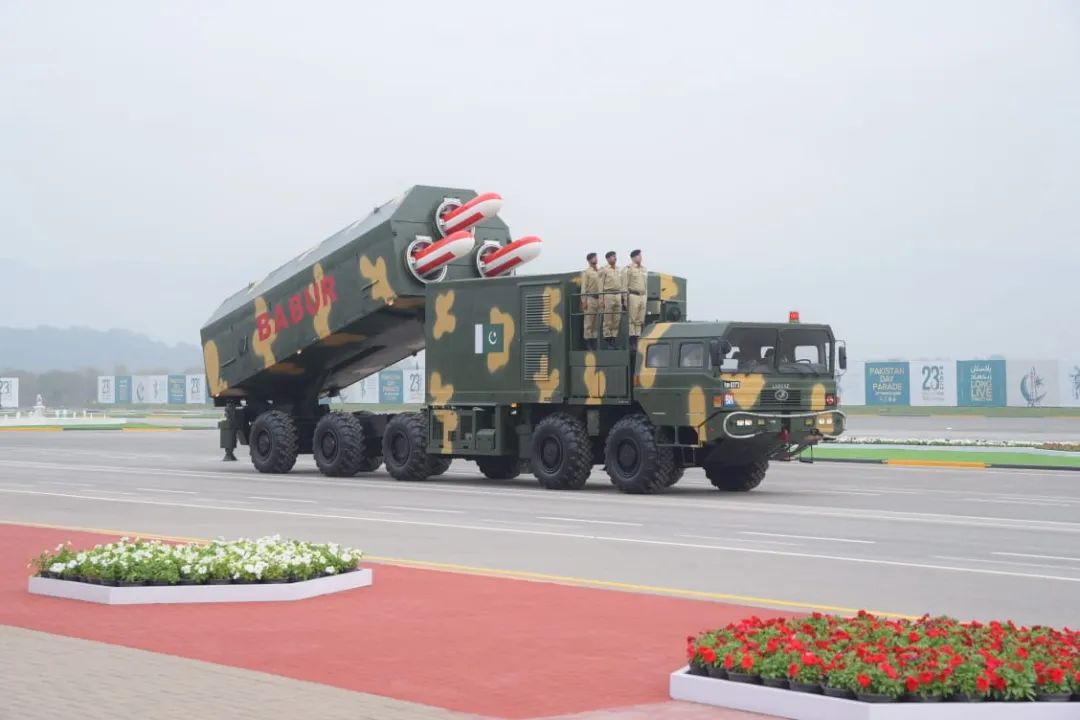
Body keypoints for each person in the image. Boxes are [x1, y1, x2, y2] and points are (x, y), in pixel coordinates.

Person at [622, 249, 647, 351]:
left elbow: (645, 284)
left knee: (639, 320)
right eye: (639, 256)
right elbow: (624, 285)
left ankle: (637, 339)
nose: (641, 257)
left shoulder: (644, 269)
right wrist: (625, 299)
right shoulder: (628, 269)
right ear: (633, 257)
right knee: (632, 319)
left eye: (640, 255)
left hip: (642, 296)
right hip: (633, 295)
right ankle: (632, 341)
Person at [599, 250, 623, 349]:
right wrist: (601, 299)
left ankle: (613, 339)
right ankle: (608, 341)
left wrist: (623, 297)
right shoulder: (604, 270)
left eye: (615, 256)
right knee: (608, 319)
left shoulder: (619, 269)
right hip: (608, 294)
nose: (615, 258)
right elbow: (600, 285)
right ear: (608, 259)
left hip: (618, 295)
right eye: (613, 256)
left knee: (616, 319)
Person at [579, 252, 601, 350]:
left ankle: (594, 342)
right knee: (589, 322)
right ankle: (588, 343)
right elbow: (584, 288)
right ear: (589, 260)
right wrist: (584, 301)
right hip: (590, 299)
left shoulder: (599, 271)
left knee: (596, 323)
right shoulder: (586, 272)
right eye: (594, 258)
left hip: (598, 299)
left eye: (596, 257)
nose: (596, 259)